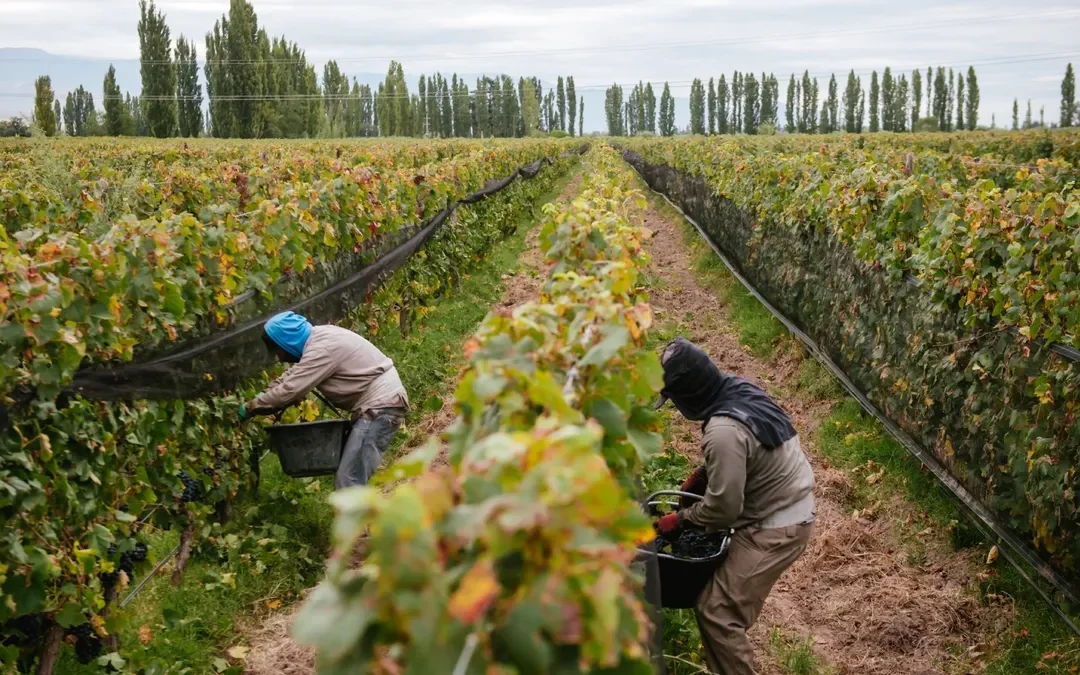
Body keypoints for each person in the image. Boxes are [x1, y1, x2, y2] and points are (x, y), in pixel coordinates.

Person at [654, 337, 815, 675]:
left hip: (777, 526)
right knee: (725, 603)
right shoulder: (736, 388)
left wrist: (679, 520)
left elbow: (723, 510)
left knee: (718, 613)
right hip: (787, 497)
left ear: (687, 397)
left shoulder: (723, 431)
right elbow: (752, 446)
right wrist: (703, 473)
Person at [241, 311, 409, 489]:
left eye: (278, 349)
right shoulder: (319, 339)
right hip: (381, 405)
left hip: (380, 407)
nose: (280, 357)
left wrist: (250, 408)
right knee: (352, 479)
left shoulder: (322, 349)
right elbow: (291, 377)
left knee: (349, 482)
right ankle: (371, 515)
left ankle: (371, 516)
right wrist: (264, 395)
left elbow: (290, 389)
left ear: (288, 340)